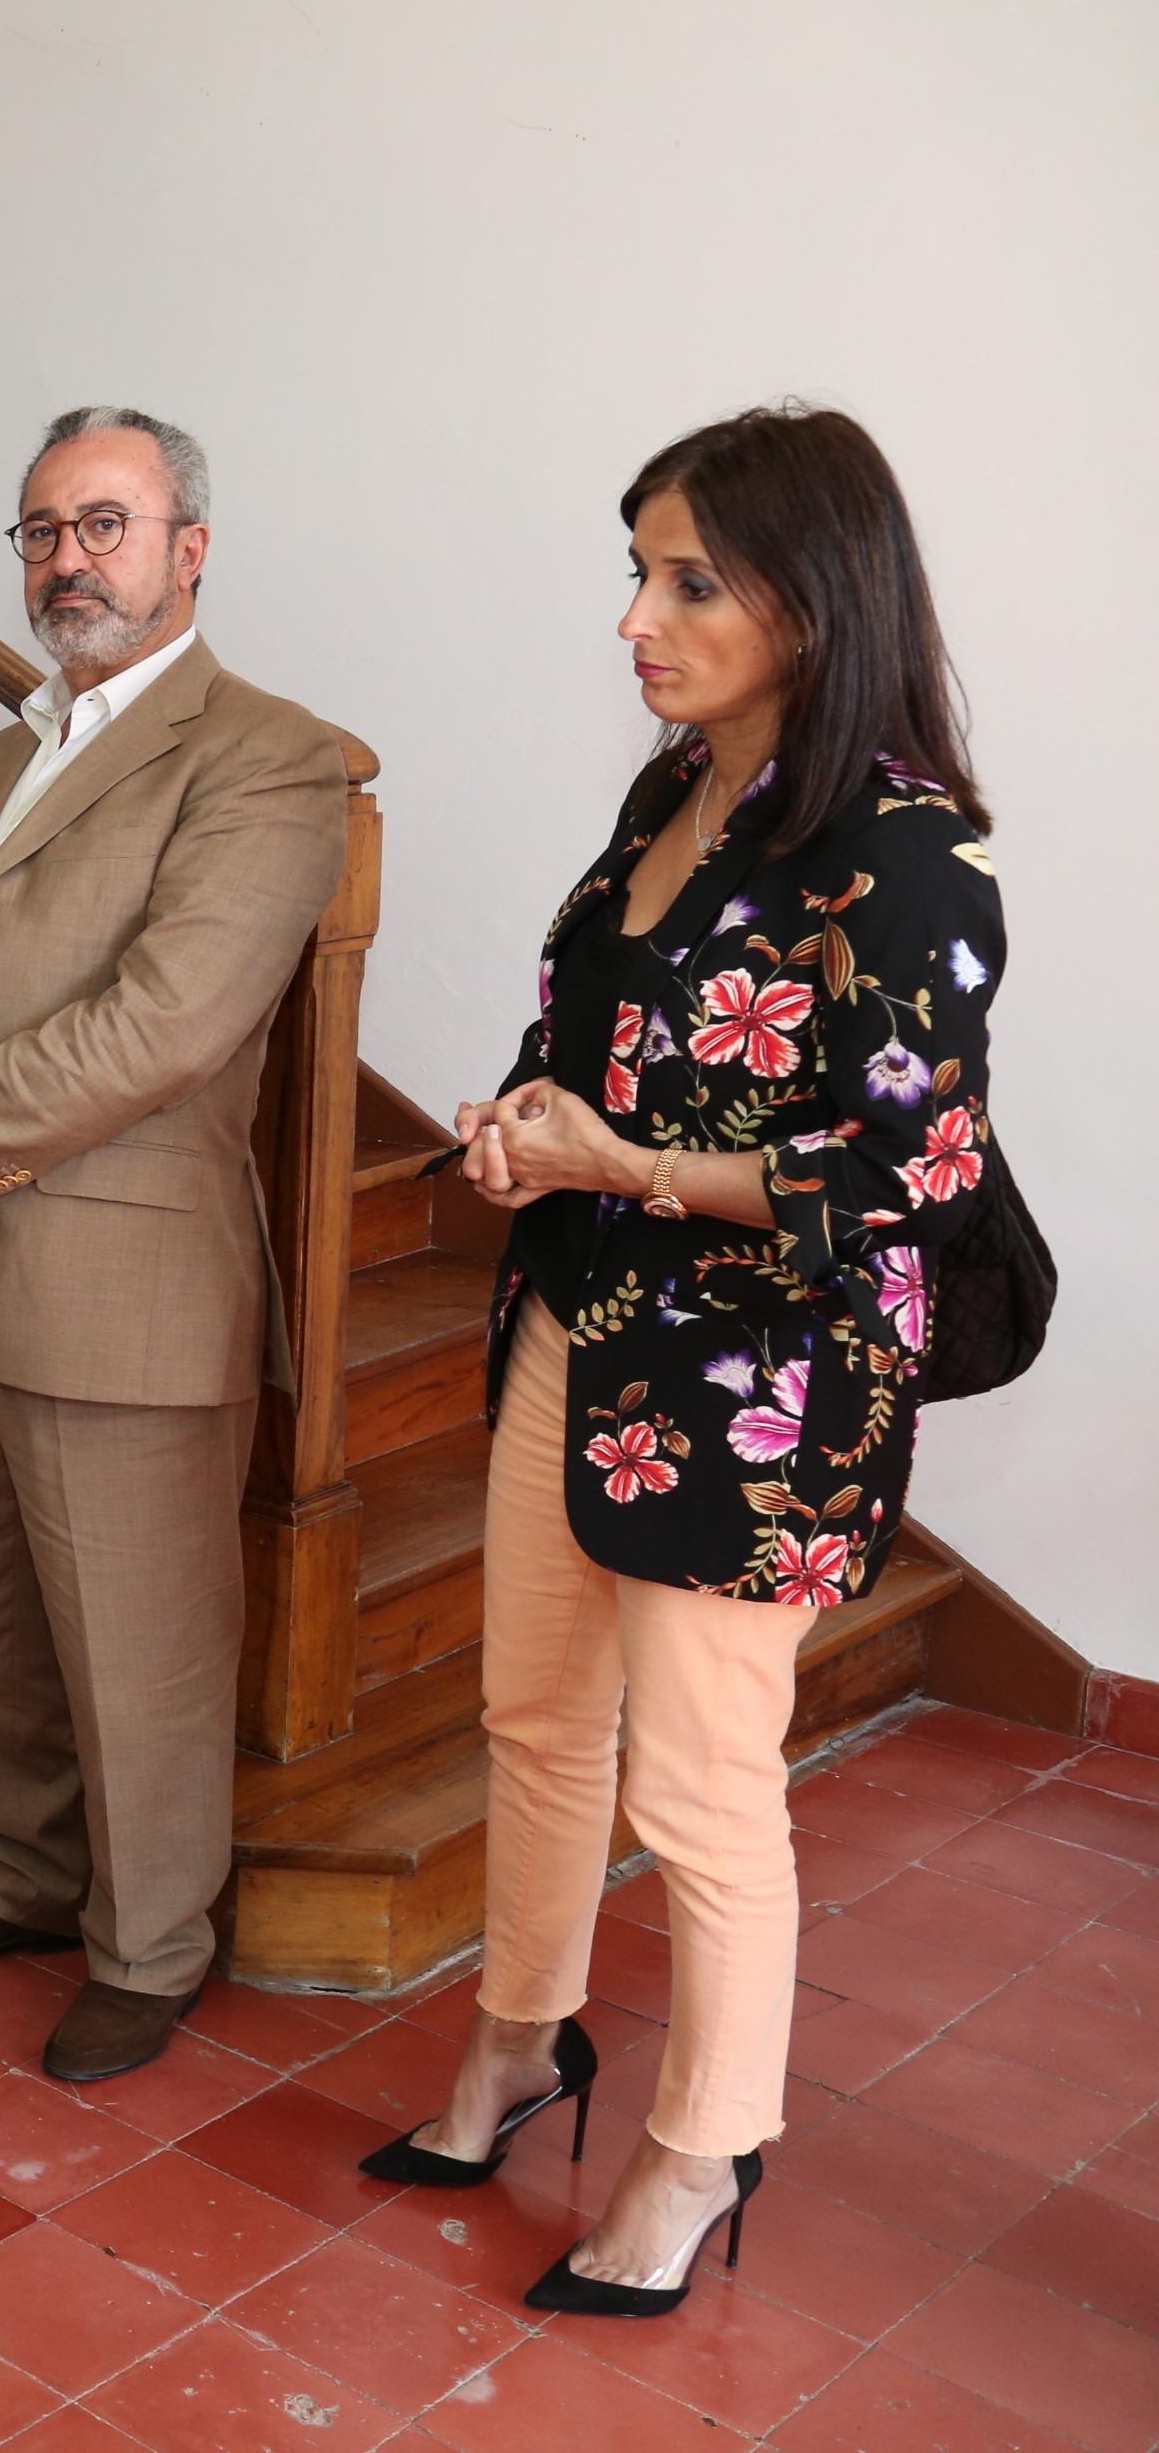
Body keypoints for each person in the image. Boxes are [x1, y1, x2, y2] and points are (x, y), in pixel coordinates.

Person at [365, 407, 1003, 2316]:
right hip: (577, 1317)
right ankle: (515, 2038)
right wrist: (529, 1120)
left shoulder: (905, 850)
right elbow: (613, 1030)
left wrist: (623, 1160)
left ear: (816, 600)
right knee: (536, 1724)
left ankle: (705, 2142)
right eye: (636, 569)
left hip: (764, 1384)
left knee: (706, 1787)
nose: (638, 616)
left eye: (688, 579)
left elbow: (910, 1174)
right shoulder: (671, 797)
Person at [0, 407, 351, 2082]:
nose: (68, 560)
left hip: (119, 1276)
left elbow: (168, 1021)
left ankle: (151, 1941)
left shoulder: (269, 754)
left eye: (104, 525)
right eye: (42, 530)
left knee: (139, 1647)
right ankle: (20, 1877)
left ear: (191, 546)